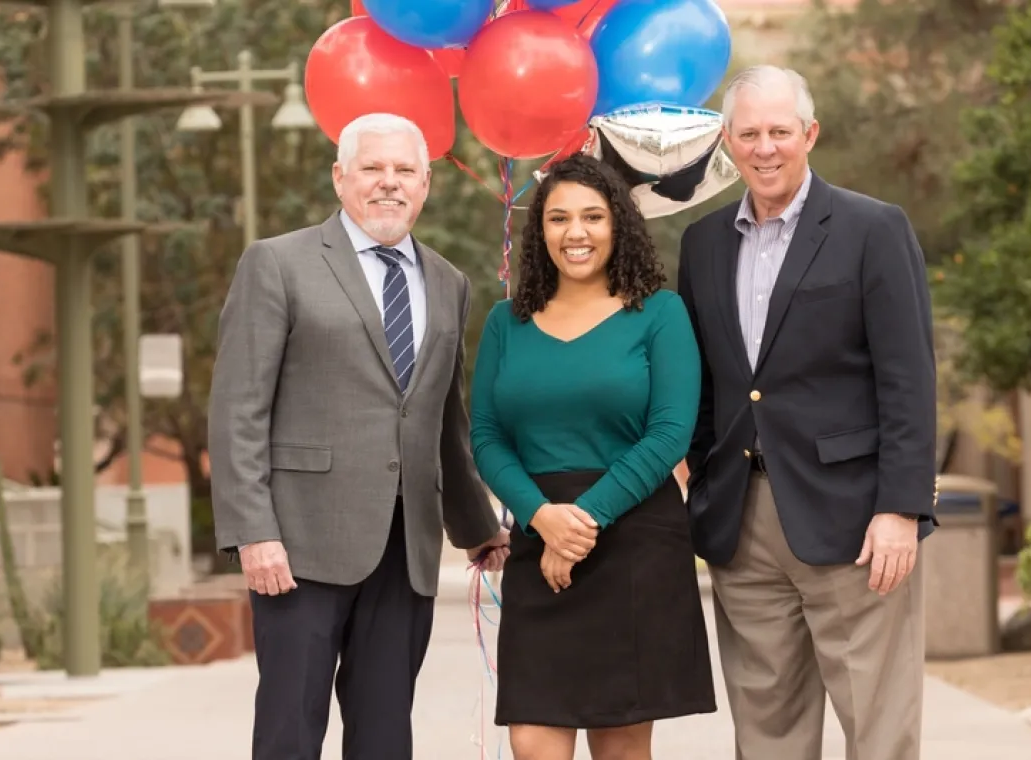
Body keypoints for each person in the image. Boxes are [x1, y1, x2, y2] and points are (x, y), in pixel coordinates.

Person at [207, 112, 510, 760]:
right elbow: (238, 409)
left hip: (406, 550)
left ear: (426, 184)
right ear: (341, 178)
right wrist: (252, 531)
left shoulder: (448, 281)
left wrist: (475, 525)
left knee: (384, 737)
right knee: (290, 731)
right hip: (298, 546)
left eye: (405, 170)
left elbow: (442, 418)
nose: (389, 183)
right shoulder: (277, 264)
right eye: (372, 168)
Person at [677, 65, 938, 760]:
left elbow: (909, 378)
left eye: (780, 132)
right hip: (743, 522)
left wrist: (901, 509)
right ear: (727, 142)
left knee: (878, 732)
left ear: (810, 134)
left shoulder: (872, 228)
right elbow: (705, 383)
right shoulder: (702, 244)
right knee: (766, 735)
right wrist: (698, 481)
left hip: (856, 523)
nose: (765, 148)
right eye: (750, 133)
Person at [470, 153, 716, 760]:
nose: (575, 232)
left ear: (618, 225)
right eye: (557, 219)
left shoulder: (660, 313)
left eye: (592, 217)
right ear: (541, 230)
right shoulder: (507, 322)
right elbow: (486, 437)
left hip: (633, 545)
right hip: (539, 538)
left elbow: (668, 434)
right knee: (532, 741)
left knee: (622, 747)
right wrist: (542, 518)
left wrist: (579, 522)